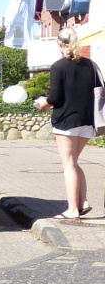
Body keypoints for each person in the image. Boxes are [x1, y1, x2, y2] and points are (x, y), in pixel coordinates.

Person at [36, 27, 100, 218]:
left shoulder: (58, 67)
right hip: (87, 120)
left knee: (69, 164)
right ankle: (83, 201)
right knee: (74, 162)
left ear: (59, 44)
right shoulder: (91, 65)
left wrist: (43, 104)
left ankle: (73, 210)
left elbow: (55, 96)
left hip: (66, 121)